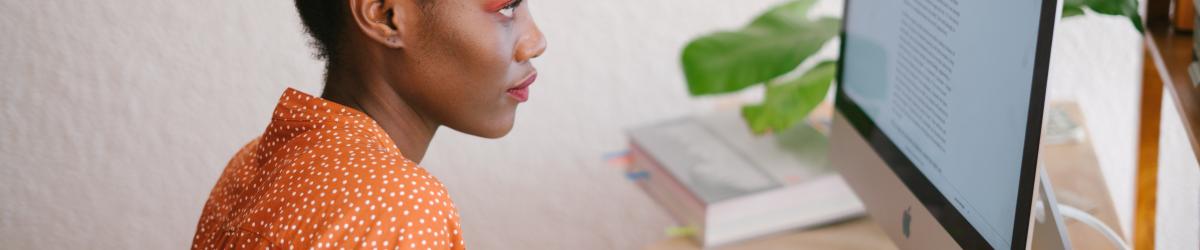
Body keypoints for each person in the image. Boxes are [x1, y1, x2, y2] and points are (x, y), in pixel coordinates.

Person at [191, 0, 546, 248]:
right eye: (507, 6)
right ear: (385, 16)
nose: (536, 42)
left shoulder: (249, 167)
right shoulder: (397, 205)